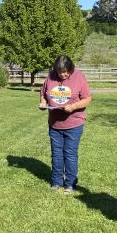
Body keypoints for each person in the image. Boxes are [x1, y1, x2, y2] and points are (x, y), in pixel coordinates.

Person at [39, 55, 92, 193]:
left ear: (71, 68)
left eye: (66, 71)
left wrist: (73, 107)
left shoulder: (79, 77)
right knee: (56, 154)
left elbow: (87, 99)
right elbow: (43, 94)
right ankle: (56, 182)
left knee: (69, 154)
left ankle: (70, 184)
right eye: (60, 72)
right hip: (55, 125)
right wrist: (43, 103)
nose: (63, 74)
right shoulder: (50, 77)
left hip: (74, 124)